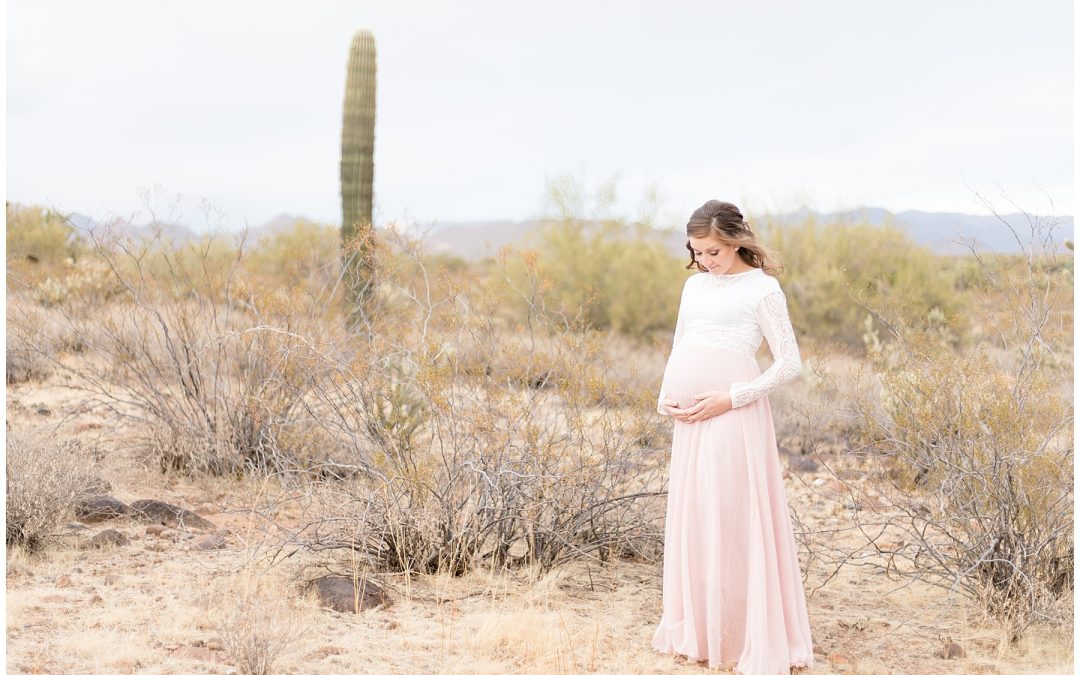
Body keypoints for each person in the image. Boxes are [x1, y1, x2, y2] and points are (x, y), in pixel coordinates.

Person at [651, 200, 815, 673]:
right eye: (697, 251)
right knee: (696, 512)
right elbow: (681, 342)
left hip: (732, 413)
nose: (705, 261)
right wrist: (665, 395)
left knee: (730, 513)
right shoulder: (693, 285)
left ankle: (743, 634)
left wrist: (734, 397)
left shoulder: (763, 290)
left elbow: (789, 363)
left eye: (714, 252)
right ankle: (699, 631)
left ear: (737, 242)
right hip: (690, 418)